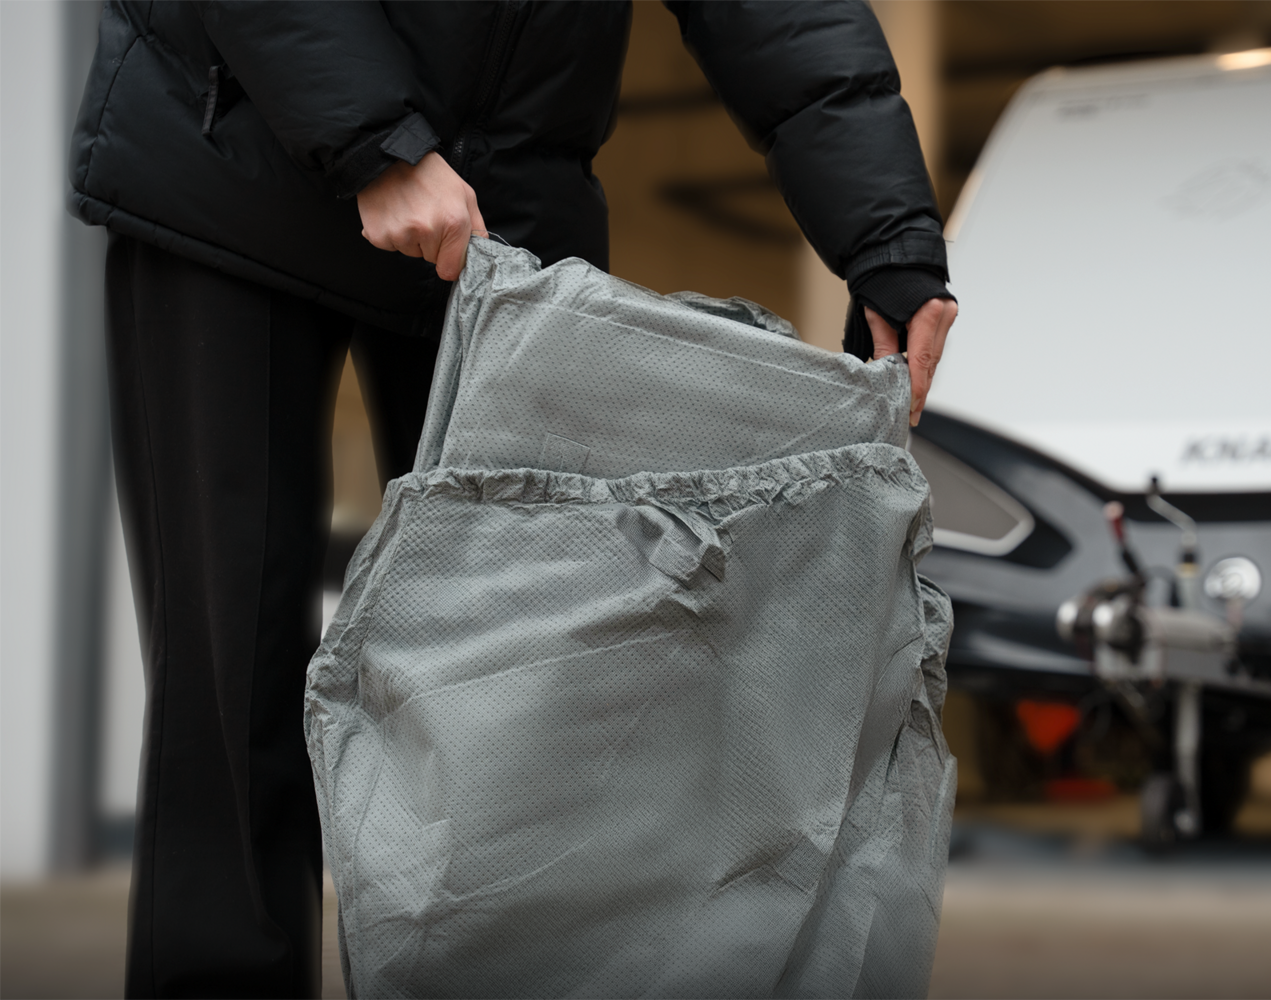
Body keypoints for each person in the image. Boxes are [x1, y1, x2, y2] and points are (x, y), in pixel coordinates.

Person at [70, 2, 957, 995]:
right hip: (229, 150)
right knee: (231, 685)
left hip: (503, 195)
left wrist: (886, 234)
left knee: (530, 692)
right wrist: (374, 140)